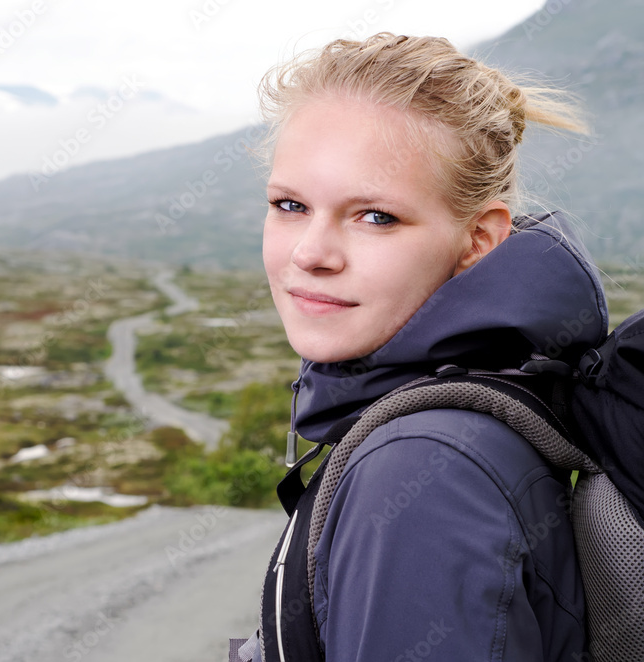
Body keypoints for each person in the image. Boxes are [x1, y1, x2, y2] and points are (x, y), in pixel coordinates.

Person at [252, 33, 607, 661]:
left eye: (376, 217)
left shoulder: (423, 466)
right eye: (290, 205)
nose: (310, 253)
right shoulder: (480, 406)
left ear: (478, 240)